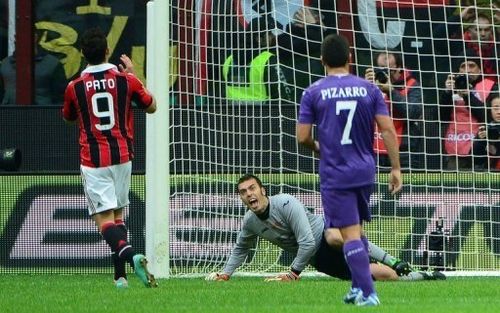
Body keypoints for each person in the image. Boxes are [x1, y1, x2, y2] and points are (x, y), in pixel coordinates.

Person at [296, 34, 403, 306]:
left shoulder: (314, 92)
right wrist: (396, 168)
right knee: (355, 230)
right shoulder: (370, 89)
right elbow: (388, 129)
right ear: (350, 58)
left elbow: (302, 137)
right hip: (365, 170)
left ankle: (368, 293)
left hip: (337, 171)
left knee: (349, 235)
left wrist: (321, 147)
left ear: (322, 61)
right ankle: (358, 287)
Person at [206, 174, 444, 284]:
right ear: (241, 198)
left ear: (263, 190)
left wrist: (292, 274)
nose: (249, 194)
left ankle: (393, 260)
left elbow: (308, 241)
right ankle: (418, 276)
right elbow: (241, 248)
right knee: (377, 276)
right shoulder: (250, 222)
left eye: (252, 188)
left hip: (322, 234)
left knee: (335, 236)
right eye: (243, 192)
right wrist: (226, 274)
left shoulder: (286, 202)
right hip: (318, 259)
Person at [62, 28, 157, 288]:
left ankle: (131, 256)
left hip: (94, 161)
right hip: (123, 156)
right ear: (107, 51)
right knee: (118, 217)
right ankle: (120, 278)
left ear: (82, 54)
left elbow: (68, 117)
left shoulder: (74, 87)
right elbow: (151, 105)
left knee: (104, 222)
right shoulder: (126, 80)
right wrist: (133, 74)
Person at [365, 51, 423, 169]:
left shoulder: (412, 85)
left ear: (399, 68)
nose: (385, 73)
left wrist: (391, 91)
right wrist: (365, 86)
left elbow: (413, 113)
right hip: (374, 148)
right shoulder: (369, 86)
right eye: (381, 69)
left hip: (404, 152)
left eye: (389, 69)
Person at [440, 53, 498, 170]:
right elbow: (440, 118)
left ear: (480, 69)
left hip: (482, 148)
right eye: (463, 66)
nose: (467, 70)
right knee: (454, 186)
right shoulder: (452, 87)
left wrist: (468, 96)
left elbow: (489, 117)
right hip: (455, 145)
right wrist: (446, 93)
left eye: (472, 65)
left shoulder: (492, 87)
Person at [222, 15, 293, 105]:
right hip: (263, 115)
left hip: (232, 115)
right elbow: (282, 95)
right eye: (269, 33)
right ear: (259, 39)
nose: (272, 36)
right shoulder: (267, 60)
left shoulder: (229, 60)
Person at [0, 32, 67, 105]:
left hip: (43, 114)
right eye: (17, 36)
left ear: (35, 37)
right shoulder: (4, 64)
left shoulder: (52, 64)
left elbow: (61, 98)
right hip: (9, 114)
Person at [472, 93, 500, 170]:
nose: (499, 112)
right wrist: (480, 140)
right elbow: (477, 161)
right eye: (496, 108)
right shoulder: (486, 129)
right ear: (489, 109)